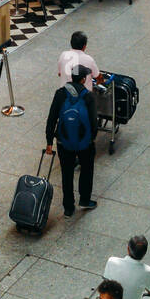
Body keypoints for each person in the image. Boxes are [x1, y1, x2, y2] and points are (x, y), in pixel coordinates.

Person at [44, 66, 99, 217]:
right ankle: (85, 200)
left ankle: (68, 207)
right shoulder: (89, 97)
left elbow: (52, 118)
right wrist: (91, 139)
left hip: (64, 142)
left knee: (66, 173)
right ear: (83, 79)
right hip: (84, 144)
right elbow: (94, 123)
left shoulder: (60, 94)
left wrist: (49, 141)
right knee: (87, 170)